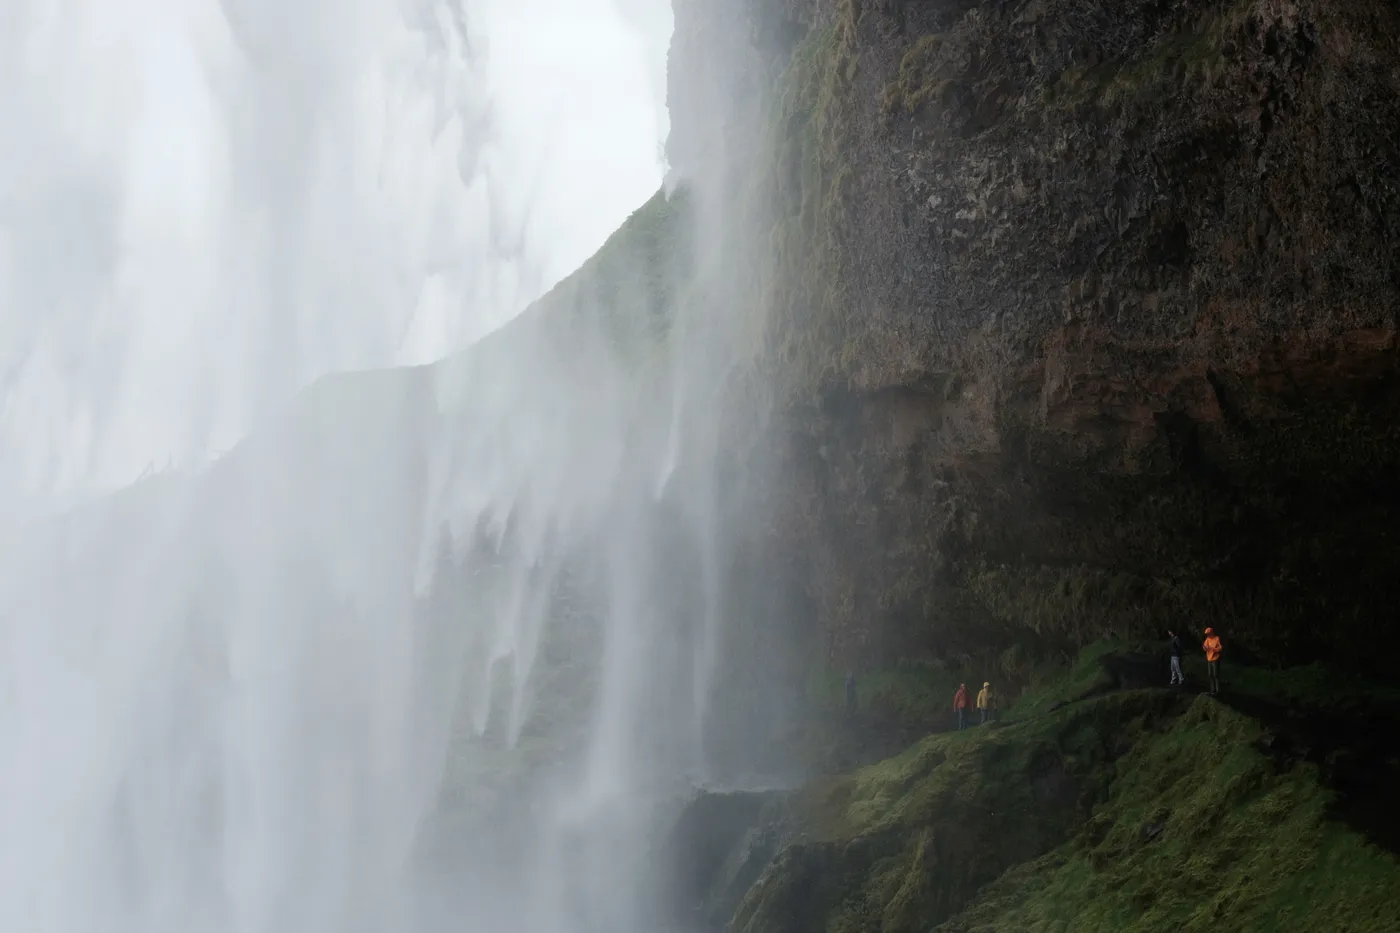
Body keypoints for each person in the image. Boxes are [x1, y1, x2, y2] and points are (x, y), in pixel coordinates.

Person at [1203, 628, 1223, 695]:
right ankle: (1212, 690)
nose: (1207, 635)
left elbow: (1220, 648)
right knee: (1210, 674)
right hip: (1209, 659)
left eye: (1208, 633)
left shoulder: (1217, 638)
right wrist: (1205, 648)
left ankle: (1218, 691)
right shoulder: (1207, 639)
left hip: (1215, 658)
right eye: (1206, 634)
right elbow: (1204, 647)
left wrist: (1214, 649)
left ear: (1211, 632)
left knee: (1216, 675)